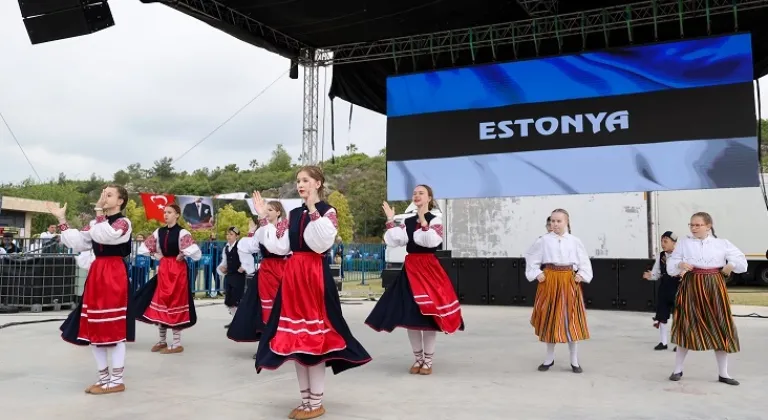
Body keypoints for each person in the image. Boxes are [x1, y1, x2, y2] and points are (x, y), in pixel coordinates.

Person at [254, 166, 371, 420]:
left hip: (313, 276)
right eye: (298, 181)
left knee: (314, 341)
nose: (300, 184)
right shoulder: (294, 214)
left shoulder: (328, 212)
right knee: (296, 340)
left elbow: (323, 241)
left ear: (318, 183)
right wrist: (265, 219)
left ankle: (316, 402)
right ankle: (305, 401)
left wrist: (313, 210)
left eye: (305, 180)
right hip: (293, 276)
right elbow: (279, 245)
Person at [365, 184, 464, 375]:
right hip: (410, 270)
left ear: (429, 198)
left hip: (428, 269)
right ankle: (418, 358)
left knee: (428, 318)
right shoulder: (408, 221)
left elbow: (431, 241)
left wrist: (423, 220)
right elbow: (396, 240)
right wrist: (390, 219)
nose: (417, 195)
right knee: (411, 317)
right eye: (415, 193)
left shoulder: (435, 219)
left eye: (421, 193)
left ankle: (428, 360)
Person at [47, 185, 135, 395]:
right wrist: (62, 220)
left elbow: (107, 236)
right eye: (103, 193)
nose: (104, 196)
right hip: (97, 273)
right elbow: (78, 242)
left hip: (114, 273)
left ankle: (116, 380)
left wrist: (98, 212)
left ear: (120, 201)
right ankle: (103, 378)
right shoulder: (97, 223)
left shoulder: (123, 223)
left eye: (109, 194)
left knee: (113, 327)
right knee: (94, 325)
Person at [666, 212, 746, 386]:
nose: (693, 228)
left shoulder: (721, 243)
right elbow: (672, 264)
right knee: (686, 324)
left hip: (714, 285)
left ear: (708, 226)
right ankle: (677, 369)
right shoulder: (684, 243)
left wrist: (731, 265)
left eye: (698, 225)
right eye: (691, 225)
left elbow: (740, 260)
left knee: (720, 325)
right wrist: (680, 264)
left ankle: (723, 373)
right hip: (691, 285)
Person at [524, 208, 592, 374]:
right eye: (552, 221)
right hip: (550, 280)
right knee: (551, 318)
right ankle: (549, 358)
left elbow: (584, 260)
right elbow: (531, 257)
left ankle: (574, 360)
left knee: (571, 319)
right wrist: (537, 273)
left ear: (566, 222)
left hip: (569, 280)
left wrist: (581, 274)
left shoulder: (575, 241)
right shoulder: (543, 240)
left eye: (558, 221)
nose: (555, 224)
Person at [134, 204, 203, 354]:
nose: (166, 215)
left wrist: (183, 254)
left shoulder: (182, 232)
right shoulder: (159, 231)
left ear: (177, 215)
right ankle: (162, 340)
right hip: (164, 268)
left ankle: (177, 343)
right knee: (162, 302)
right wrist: (154, 255)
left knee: (175, 302)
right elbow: (145, 247)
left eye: (169, 212)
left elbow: (195, 252)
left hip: (178, 270)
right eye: (165, 212)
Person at [228, 199, 289, 358]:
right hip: (267, 270)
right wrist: (250, 268)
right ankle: (266, 345)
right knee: (263, 308)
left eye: (270, 210)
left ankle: (283, 344)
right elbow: (251, 245)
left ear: (278, 212)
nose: (266, 213)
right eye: (265, 210)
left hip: (283, 269)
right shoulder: (263, 228)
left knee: (284, 307)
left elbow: (280, 246)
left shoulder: (285, 227)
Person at [643, 231, 680, 351]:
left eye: (666, 241)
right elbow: (657, 272)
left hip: (678, 287)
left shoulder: (680, 255)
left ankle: (678, 343)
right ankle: (663, 342)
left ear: (674, 243)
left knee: (678, 315)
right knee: (662, 315)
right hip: (664, 288)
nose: (663, 244)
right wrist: (651, 275)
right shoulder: (661, 256)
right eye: (662, 241)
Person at [218, 226, 248, 328]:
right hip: (229, 275)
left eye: (231, 234)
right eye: (228, 234)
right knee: (229, 300)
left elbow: (247, 258)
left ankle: (240, 322)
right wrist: (222, 267)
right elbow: (224, 261)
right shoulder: (226, 247)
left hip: (238, 276)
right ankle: (235, 320)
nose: (229, 236)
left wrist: (243, 267)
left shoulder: (241, 247)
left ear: (237, 236)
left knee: (237, 299)